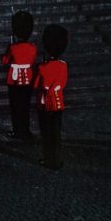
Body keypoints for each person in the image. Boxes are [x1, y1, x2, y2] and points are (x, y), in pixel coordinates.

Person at [34, 24, 69, 170]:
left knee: (46, 133)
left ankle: (49, 160)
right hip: (59, 102)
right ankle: (57, 159)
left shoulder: (42, 67)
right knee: (56, 132)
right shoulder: (63, 65)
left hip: (45, 104)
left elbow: (36, 85)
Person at [2, 11, 38, 140]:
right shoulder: (33, 47)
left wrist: (9, 48)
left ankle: (17, 130)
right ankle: (26, 130)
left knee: (15, 106)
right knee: (25, 106)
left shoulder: (13, 47)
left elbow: (5, 61)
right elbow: (32, 61)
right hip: (28, 79)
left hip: (14, 80)